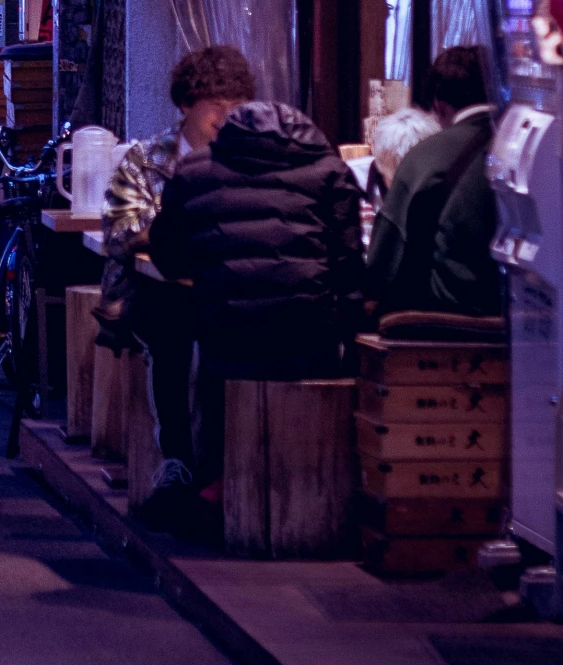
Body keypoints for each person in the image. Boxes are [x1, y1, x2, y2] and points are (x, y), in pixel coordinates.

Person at [148, 99, 365, 522]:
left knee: (201, 348)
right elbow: (348, 265)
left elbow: (168, 256)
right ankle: (312, 499)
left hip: (226, 334)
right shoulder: (331, 171)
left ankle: (212, 485)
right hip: (310, 334)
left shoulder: (194, 170)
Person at [98, 44, 257, 532]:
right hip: (151, 291)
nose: (226, 120)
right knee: (174, 330)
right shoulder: (147, 160)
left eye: (237, 109)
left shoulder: (252, 158)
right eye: (216, 108)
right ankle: (179, 463)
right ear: (186, 104)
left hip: (229, 289)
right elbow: (122, 232)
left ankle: (222, 471)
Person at [365, 46, 500, 318]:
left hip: (445, 319)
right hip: (525, 317)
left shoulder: (426, 155)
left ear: (438, 104)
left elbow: (383, 264)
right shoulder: (530, 147)